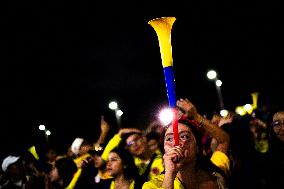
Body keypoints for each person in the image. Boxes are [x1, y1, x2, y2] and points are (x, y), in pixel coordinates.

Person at [143, 98, 230, 189]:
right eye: (169, 139)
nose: (176, 143)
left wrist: (196, 116)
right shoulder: (152, 186)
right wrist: (169, 174)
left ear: (197, 146)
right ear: (164, 150)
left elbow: (224, 140)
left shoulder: (215, 171)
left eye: (184, 136)